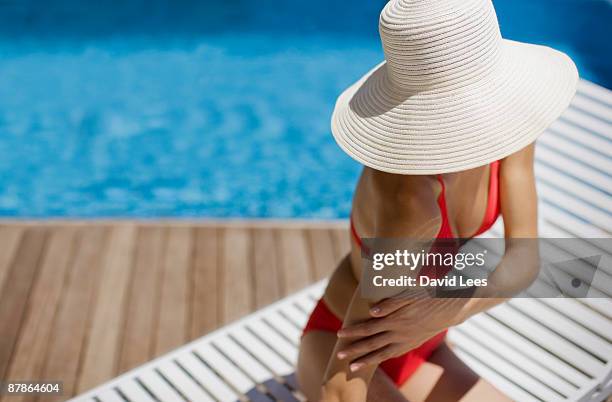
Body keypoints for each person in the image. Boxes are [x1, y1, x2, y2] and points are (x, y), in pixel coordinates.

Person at [297, 0, 578, 401]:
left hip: (426, 342)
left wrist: (448, 311)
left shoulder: (510, 129)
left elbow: (524, 258)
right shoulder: (411, 201)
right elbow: (342, 382)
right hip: (341, 344)